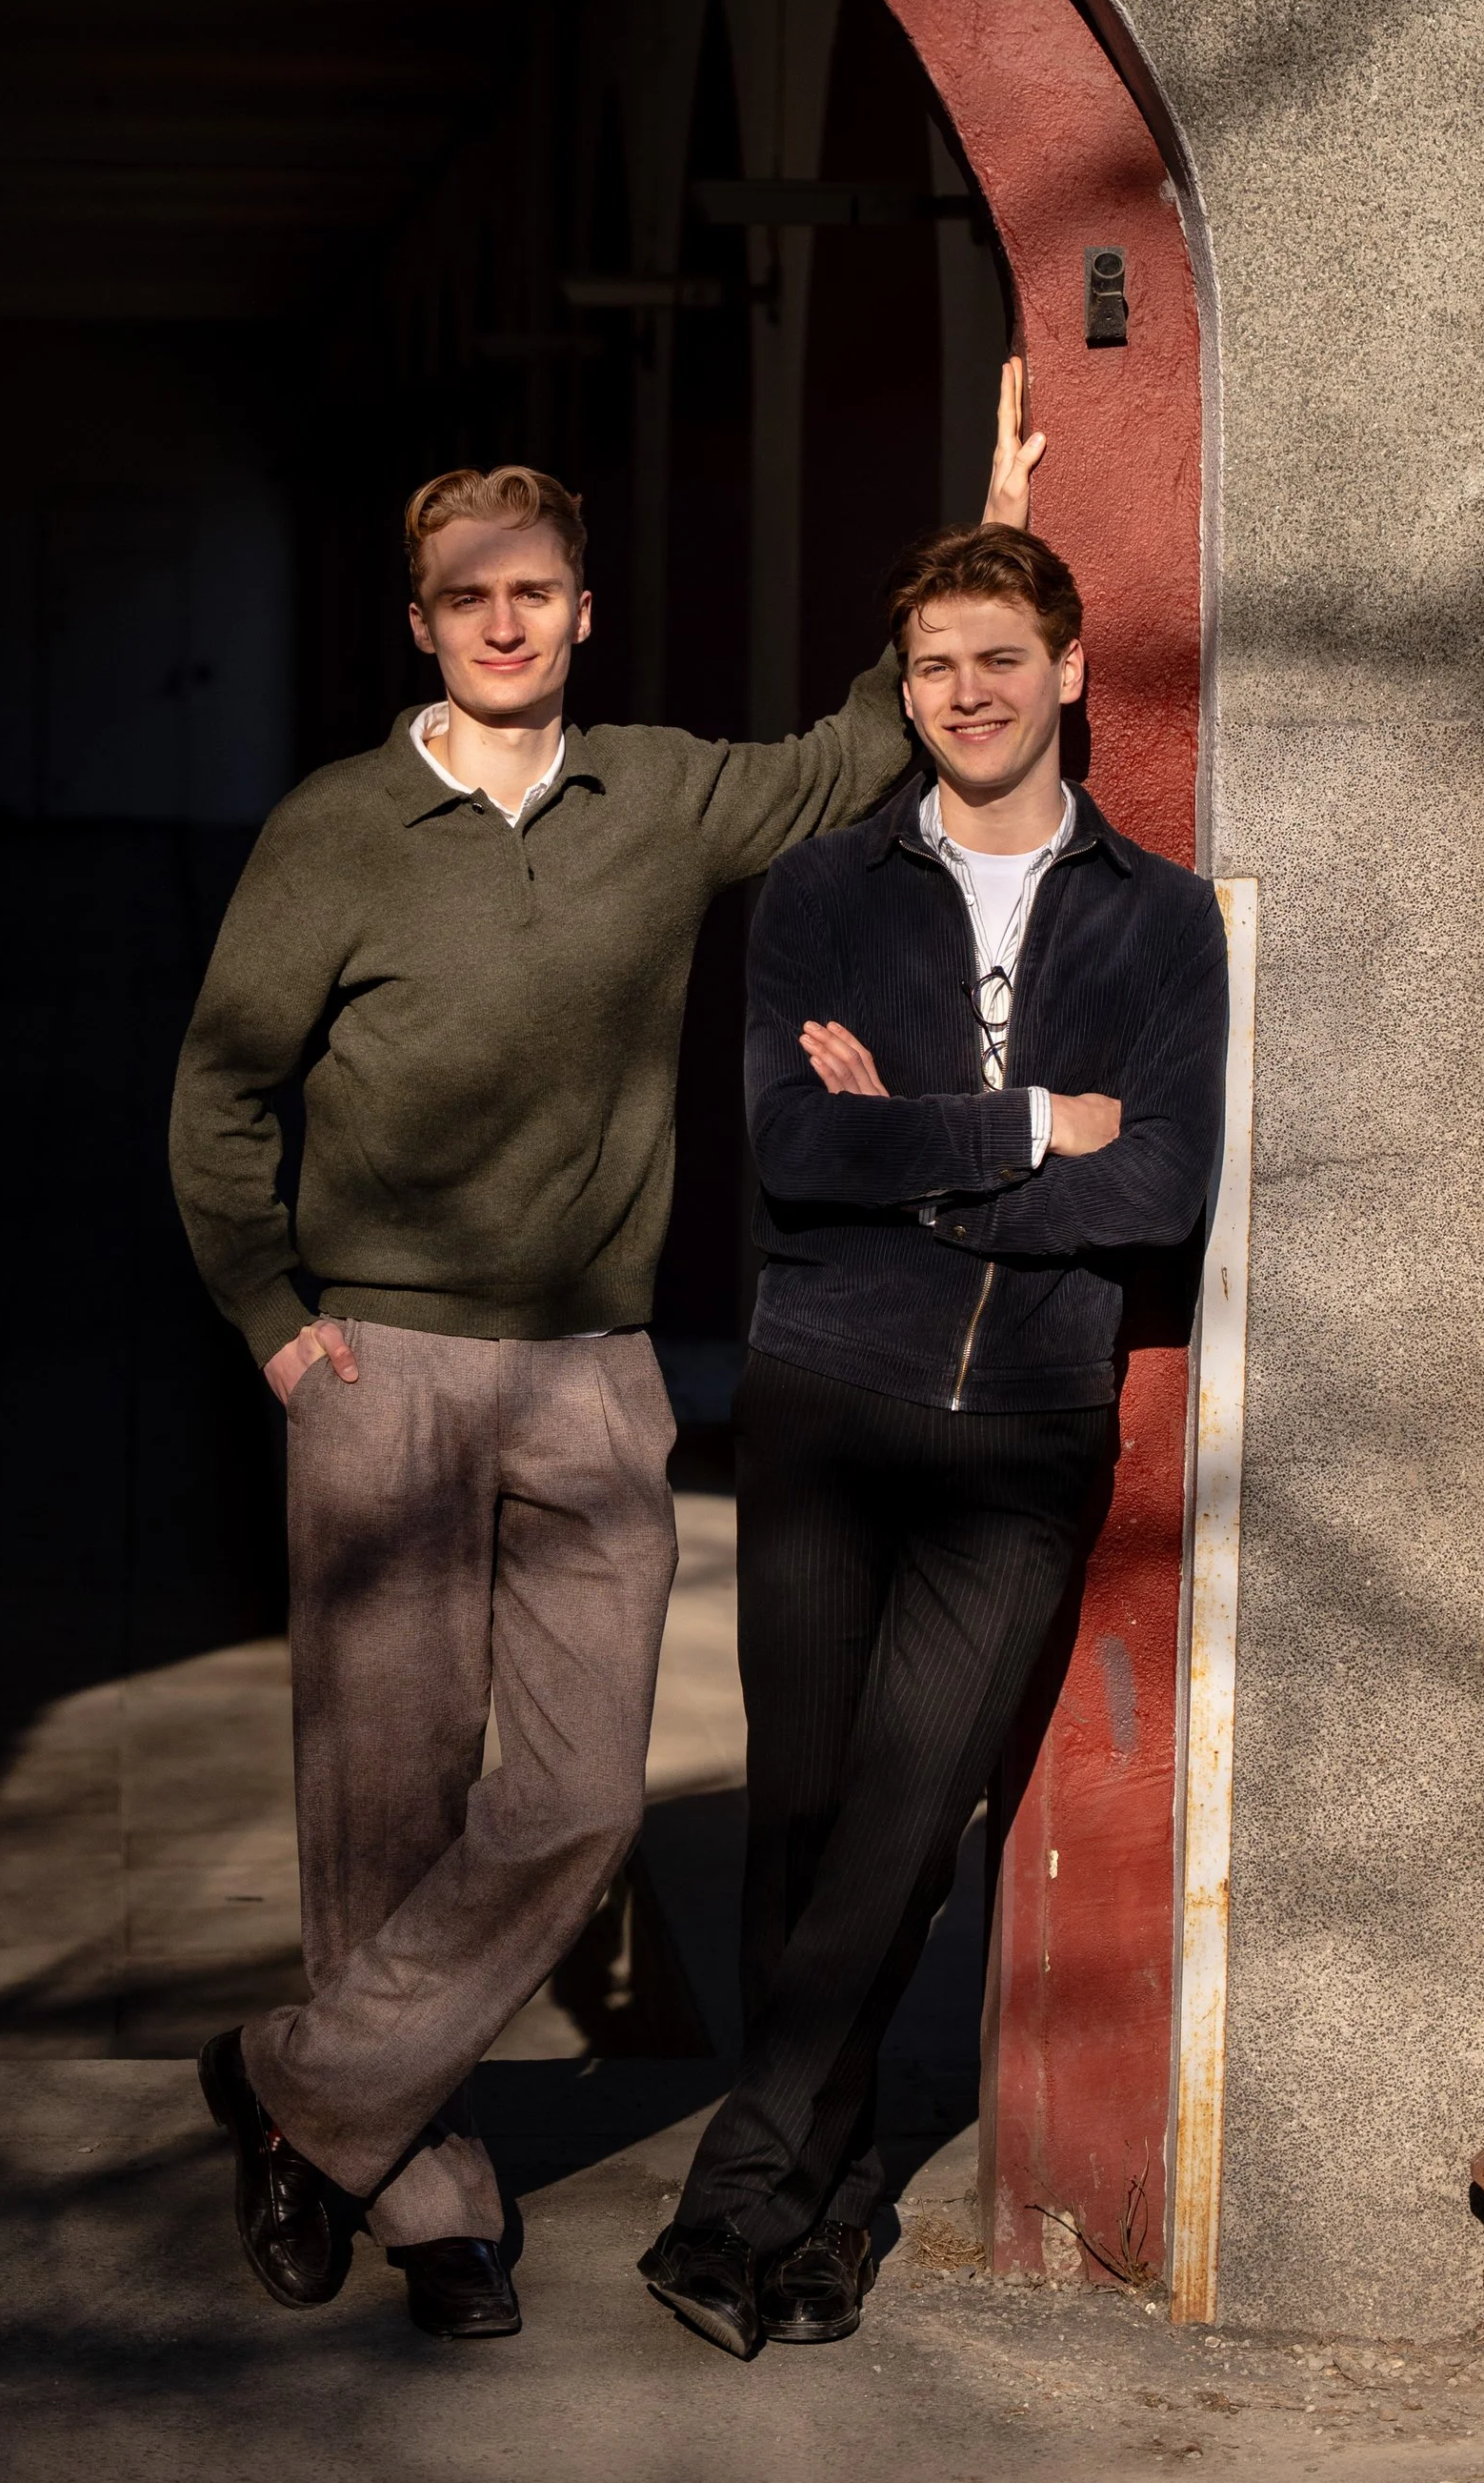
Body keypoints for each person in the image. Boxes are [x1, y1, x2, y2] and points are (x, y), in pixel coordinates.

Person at [170, 380, 1041, 2342]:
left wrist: (968, 538)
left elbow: (846, 754)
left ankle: (296, 2096)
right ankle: (418, 2188)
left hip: (591, 1371)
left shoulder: (652, 792)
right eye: (467, 593)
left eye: (536, 589)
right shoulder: (335, 830)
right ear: (420, 620)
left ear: (581, 611)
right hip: (377, 1365)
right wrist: (272, 1322)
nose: (503, 621)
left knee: (569, 1805)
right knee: (379, 1809)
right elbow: (222, 1093)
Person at [637, 510, 1228, 2359]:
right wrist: (1021, 1127)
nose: (962, 693)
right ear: (904, 697)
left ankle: (732, 2208)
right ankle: (821, 2211)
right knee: (803, 1822)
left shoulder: (1159, 919)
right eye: (929, 668)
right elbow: (796, 1153)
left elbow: (1159, 1186)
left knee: (903, 1822)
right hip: (820, 1403)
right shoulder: (817, 892)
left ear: (1067, 674)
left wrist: (930, 1148)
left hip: (1021, 1435)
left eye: (995, 658)